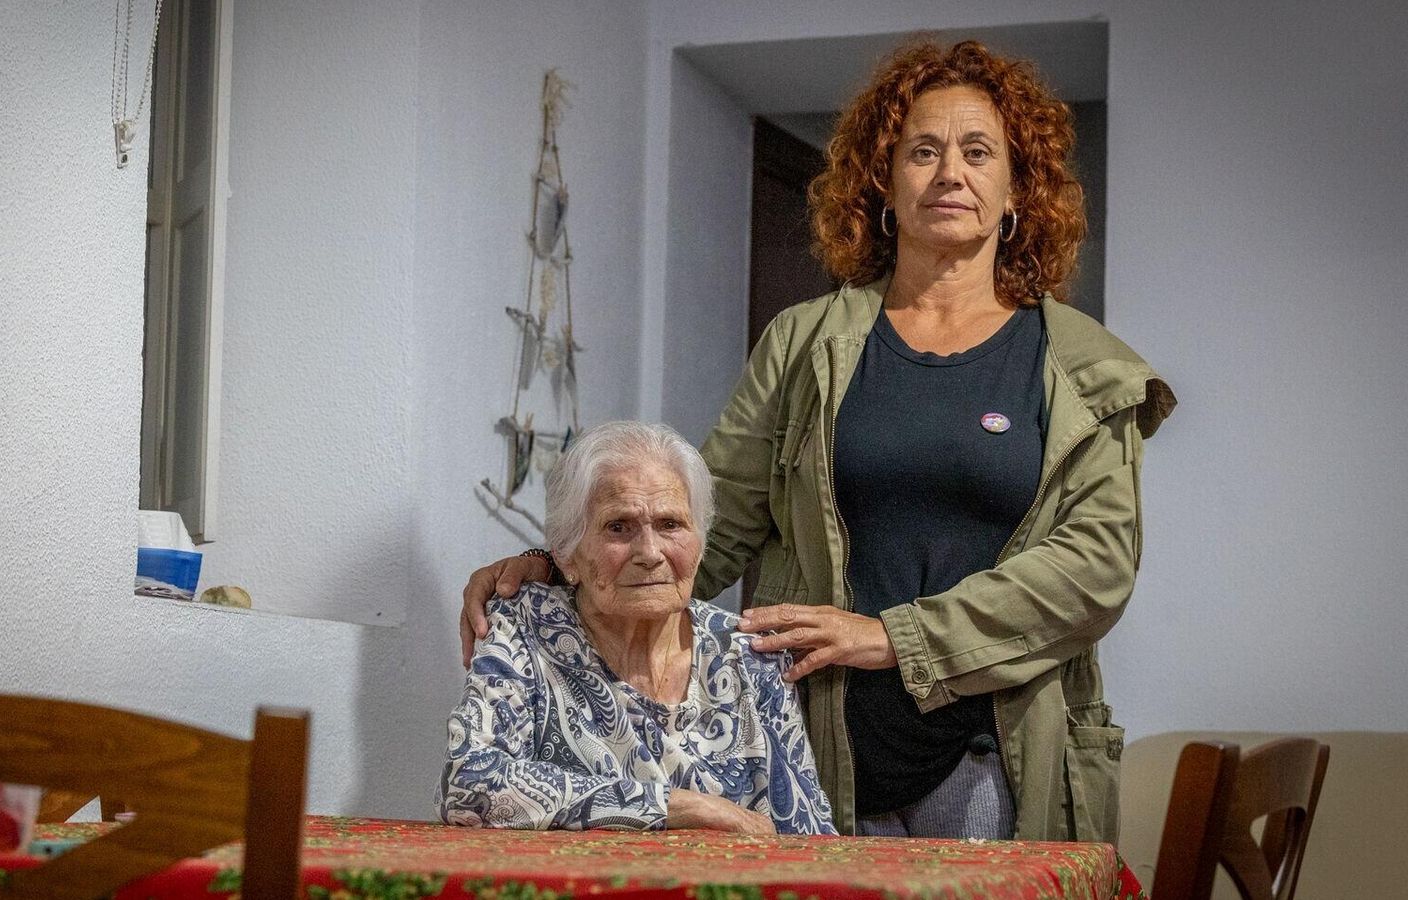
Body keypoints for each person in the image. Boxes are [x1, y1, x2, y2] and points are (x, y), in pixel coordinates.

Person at [462, 40, 1176, 843]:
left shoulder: (1080, 368)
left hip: (991, 755)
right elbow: (714, 522)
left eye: (979, 152)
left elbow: (1096, 567)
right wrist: (560, 572)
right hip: (805, 745)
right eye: (923, 151)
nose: (950, 173)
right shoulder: (803, 342)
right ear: (884, 183)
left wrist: (892, 636)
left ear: (1017, 189)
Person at [439, 421, 836, 835]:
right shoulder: (524, 626)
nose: (649, 553)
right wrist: (678, 808)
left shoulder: (750, 655)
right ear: (567, 555)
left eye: (670, 525)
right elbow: (469, 783)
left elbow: (808, 833)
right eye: (618, 527)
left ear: (700, 545)